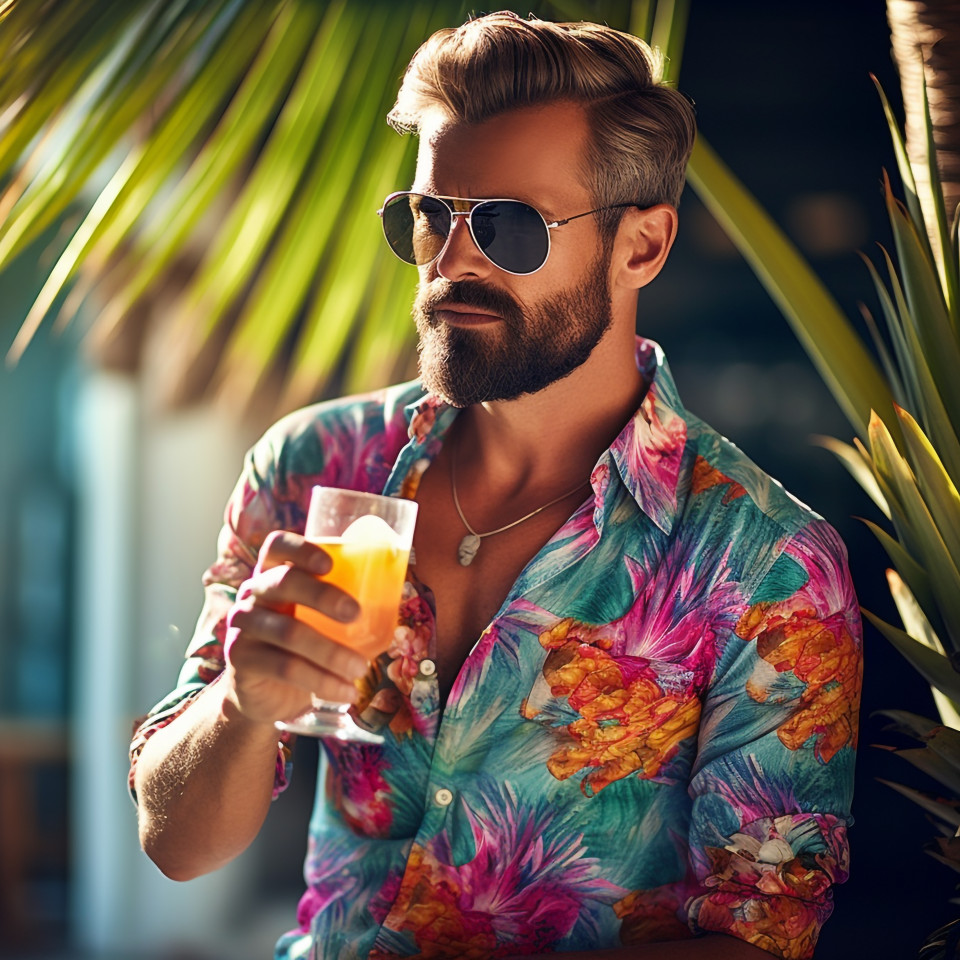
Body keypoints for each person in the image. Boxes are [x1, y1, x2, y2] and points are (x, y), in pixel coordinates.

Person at [129, 12, 862, 960]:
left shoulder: (766, 565)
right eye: (430, 216)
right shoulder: (316, 466)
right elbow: (177, 844)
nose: (453, 261)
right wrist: (242, 700)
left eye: (511, 226)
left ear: (641, 246)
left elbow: (761, 935)